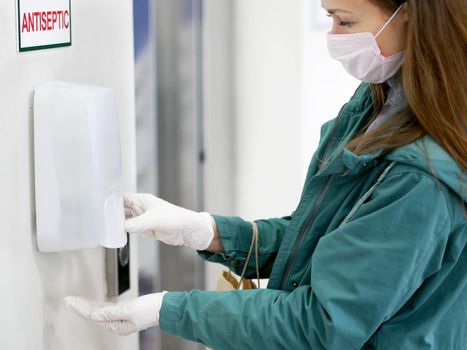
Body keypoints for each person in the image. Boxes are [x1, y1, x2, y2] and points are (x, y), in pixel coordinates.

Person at [65, 0, 466, 348]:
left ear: (410, 13)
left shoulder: (423, 177)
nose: (333, 37)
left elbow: (321, 324)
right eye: (328, 18)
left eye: (345, 21)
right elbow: (333, 245)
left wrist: (168, 309)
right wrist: (207, 231)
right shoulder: (379, 102)